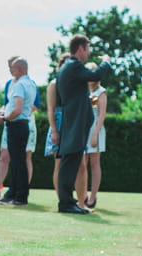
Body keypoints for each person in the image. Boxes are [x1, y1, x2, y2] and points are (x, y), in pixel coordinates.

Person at [56, 34, 111, 214]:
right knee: (70, 164)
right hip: (76, 123)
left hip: (72, 121)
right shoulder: (74, 65)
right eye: (88, 49)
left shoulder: (66, 67)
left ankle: (67, 202)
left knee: (69, 163)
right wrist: (106, 62)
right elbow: (95, 75)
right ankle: (66, 203)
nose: (88, 53)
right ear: (80, 48)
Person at [0, 56, 40, 200]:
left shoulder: (19, 85)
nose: (11, 72)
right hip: (24, 124)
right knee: (18, 160)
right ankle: (14, 192)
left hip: (16, 123)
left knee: (18, 161)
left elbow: (17, 109)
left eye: (13, 69)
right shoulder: (31, 84)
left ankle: (20, 195)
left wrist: (5, 117)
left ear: (19, 69)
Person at [44, 53, 71, 194]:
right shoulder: (54, 84)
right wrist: (54, 131)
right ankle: (61, 196)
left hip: (72, 125)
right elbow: (51, 110)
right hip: (59, 125)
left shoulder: (74, 85)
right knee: (59, 164)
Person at [82, 62, 108, 209]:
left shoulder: (101, 92)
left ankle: (93, 197)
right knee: (82, 163)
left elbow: (102, 115)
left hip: (95, 129)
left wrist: (95, 135)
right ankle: (82, 194)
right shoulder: (84, 90)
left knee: (94, 163)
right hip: (84, 129)